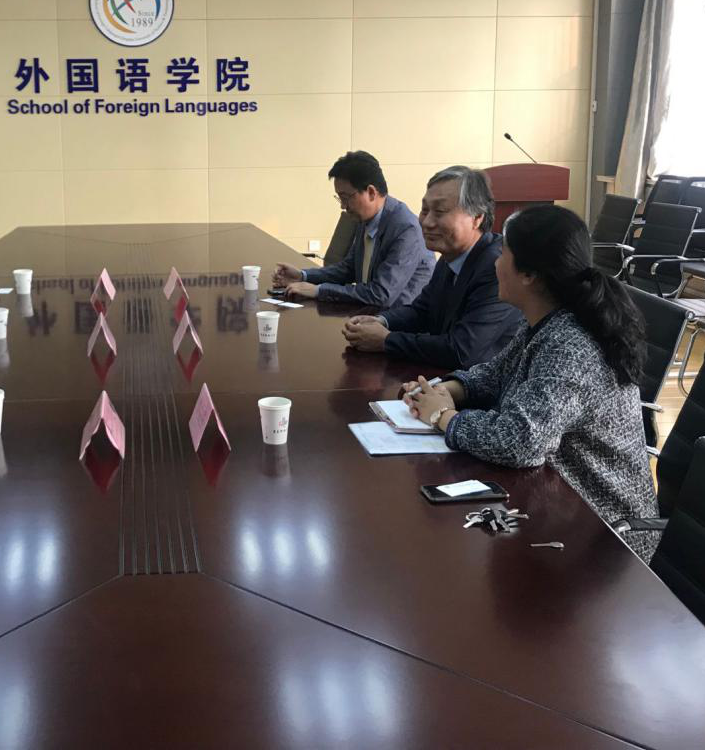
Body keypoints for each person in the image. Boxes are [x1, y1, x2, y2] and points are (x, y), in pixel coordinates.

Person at [401, 205, 659, 561]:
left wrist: (442, 416)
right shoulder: (548, 320)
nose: (495, 263)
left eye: (503, 253)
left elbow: (519, 442)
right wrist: (446, 390)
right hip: (558, 502)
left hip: (606, 537)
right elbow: (497, 373)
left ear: (529, 275)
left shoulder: (572, 345)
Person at [342, 166, 523, 368]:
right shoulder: (450, 256)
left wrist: (386, 340)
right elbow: (422, 311)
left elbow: (462, 350)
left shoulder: (497, 267)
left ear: (476, 218)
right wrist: (380, 321)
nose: (427, 222)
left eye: (440, 211)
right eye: (425, 210)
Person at [272, 150, 433, 307]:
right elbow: (348, 269)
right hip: (370, 312)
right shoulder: (366, 218)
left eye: (346, 197)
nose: (343, 206)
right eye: (339, 198)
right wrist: (303, 275)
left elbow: (381, 294)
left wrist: (319, 290)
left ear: (371, 192)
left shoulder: (406, 229)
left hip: (398, 319)